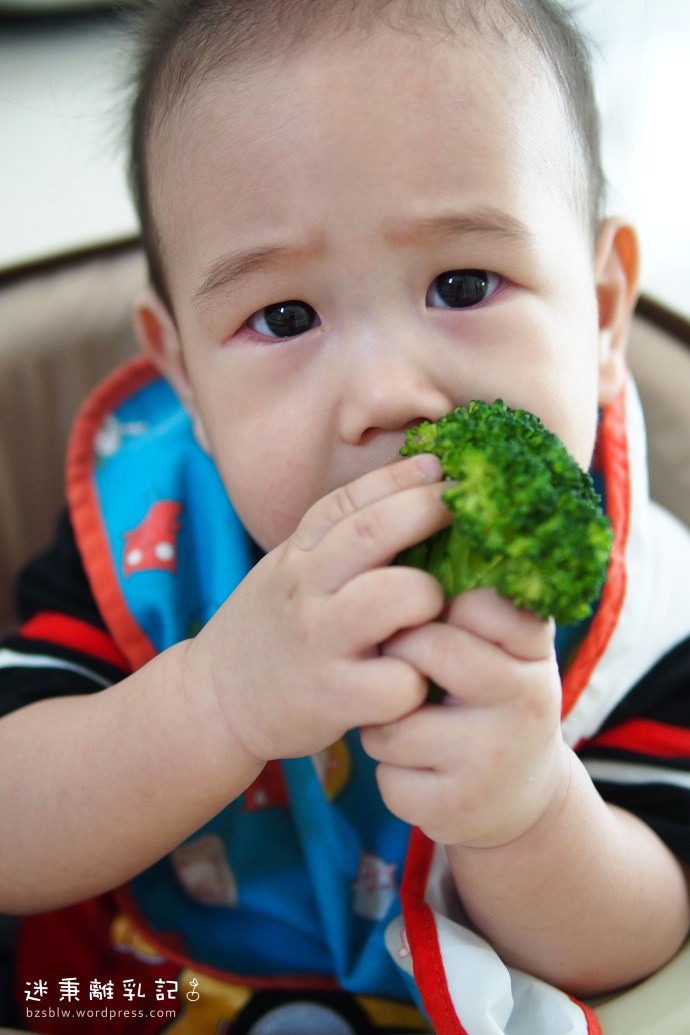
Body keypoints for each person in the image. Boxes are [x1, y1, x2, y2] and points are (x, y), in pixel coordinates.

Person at [2, 0, 690, 1032]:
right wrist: (213, 702)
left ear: (601, 310)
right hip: (145, 987)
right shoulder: (152, 530)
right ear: (185, 375)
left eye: (463, 283)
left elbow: (649, 931)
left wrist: (532, 814)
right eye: (284, 317)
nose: (386, 395)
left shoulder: (642, 609)